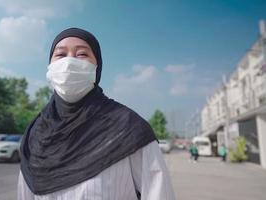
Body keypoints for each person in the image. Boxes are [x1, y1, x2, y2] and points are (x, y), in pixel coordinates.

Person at [17, 28, 175, 200]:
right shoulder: (36, 134)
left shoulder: (128, 128)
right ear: (50, 66)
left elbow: (158, 193)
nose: (69, 62)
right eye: (61, 55)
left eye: (82, 54)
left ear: (97, 66)